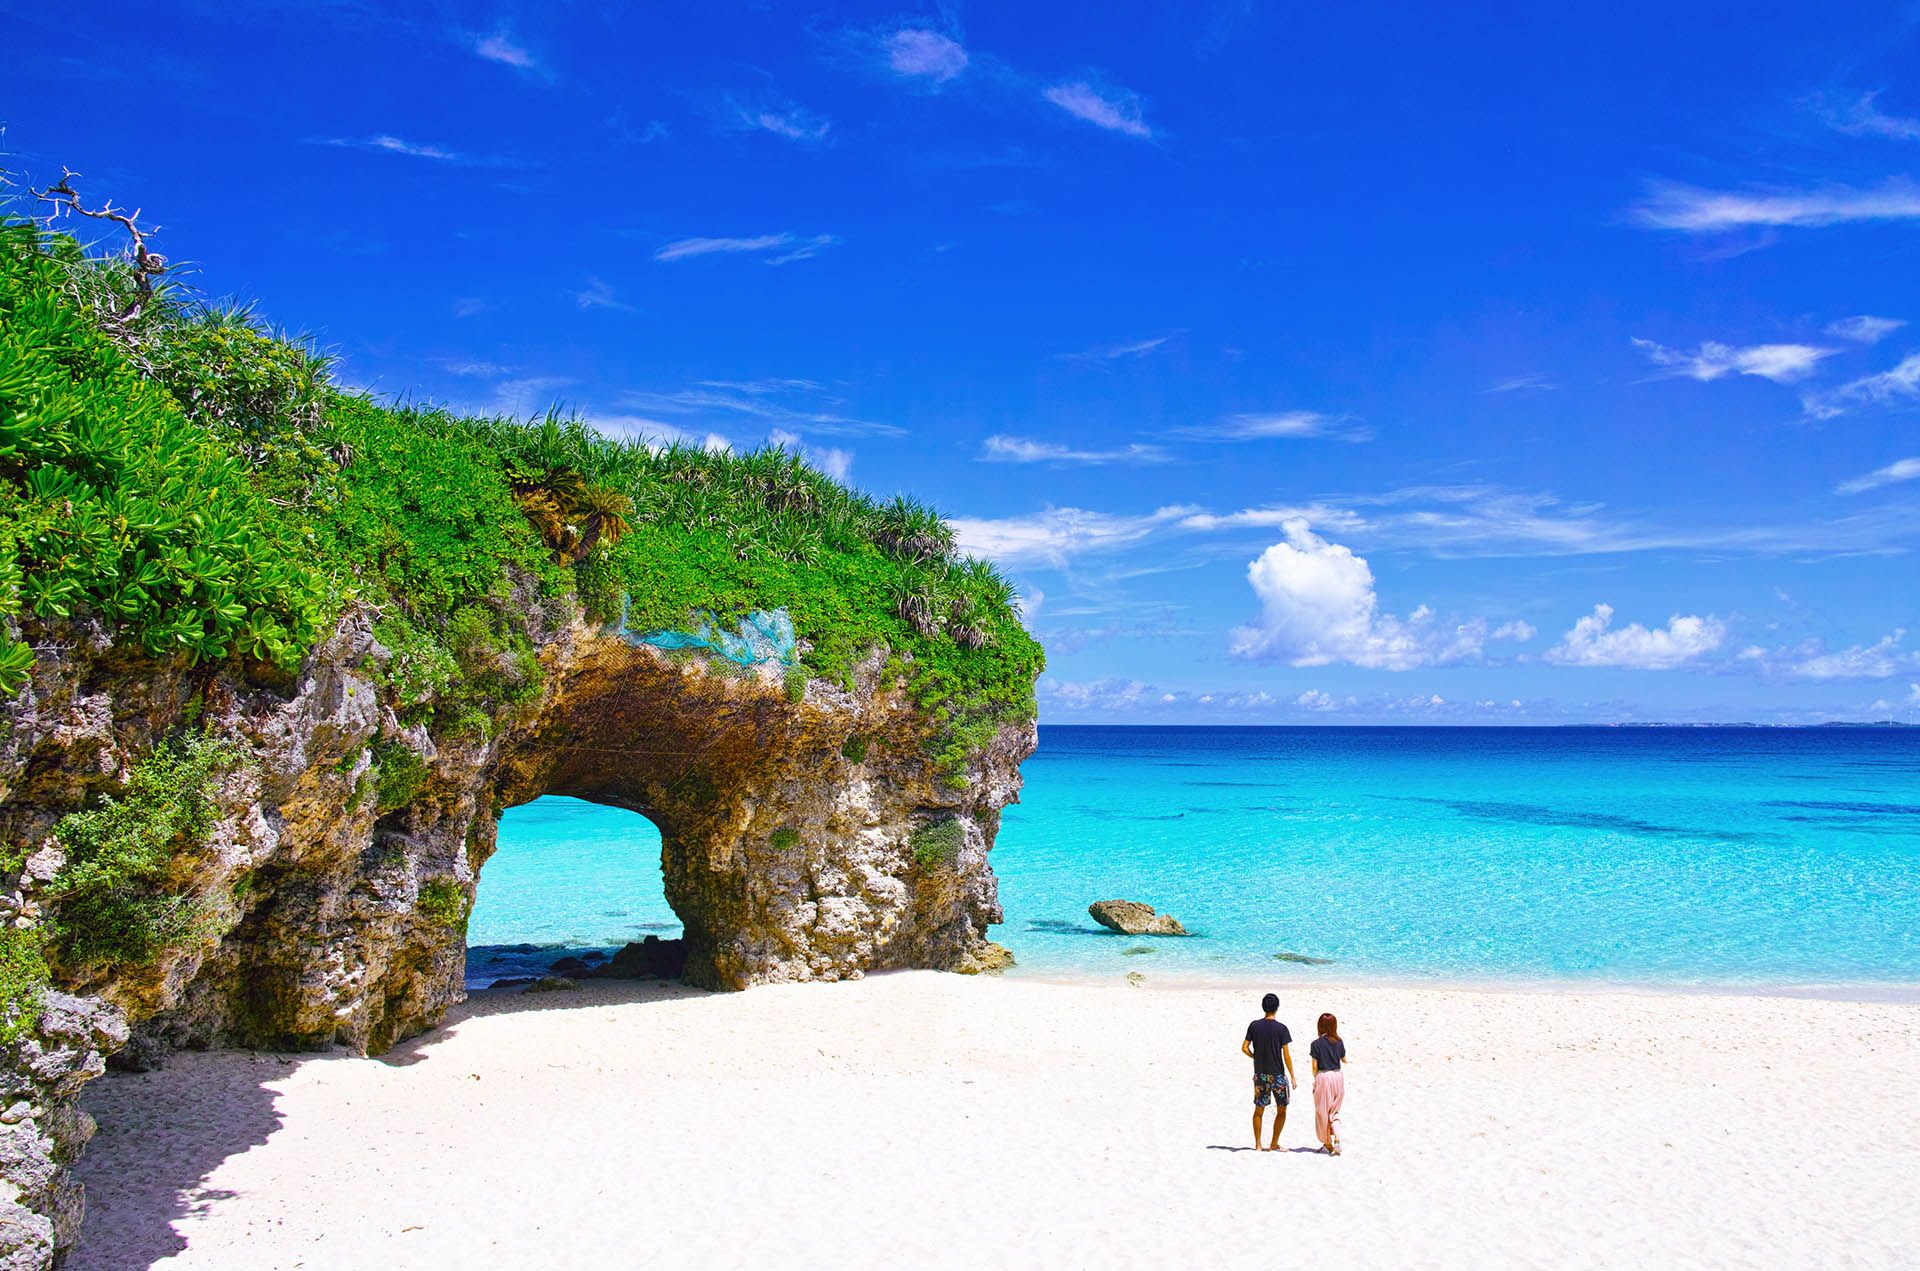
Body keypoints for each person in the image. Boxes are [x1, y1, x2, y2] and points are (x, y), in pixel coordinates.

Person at [1239, 992, 1296, 1151]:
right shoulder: (1282, 1029)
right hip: (1277, 1074)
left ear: (1263, 1007)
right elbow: (1286, 1055)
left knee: (1259, 1109)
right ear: (1277, 1008)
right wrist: (1292, 1076)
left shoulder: (1254, 1025)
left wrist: (1255, 1057)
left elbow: (1244, 1048)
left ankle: (1258, 1145)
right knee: (1282, 1109)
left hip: (1260, 1074)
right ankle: (1274, 1143)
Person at [1310, 1012, 1347, 1155]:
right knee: (1334, 1112)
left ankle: (1327, 1144)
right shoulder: (1339, 1041)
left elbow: (1314, 1067)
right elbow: (1344, 1059)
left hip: (1324, 1077)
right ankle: (1337, 1138)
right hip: (1338, 1076)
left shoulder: (1316, 1044)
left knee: (1322, 1112)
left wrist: (1316, 1078)